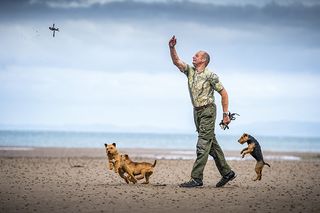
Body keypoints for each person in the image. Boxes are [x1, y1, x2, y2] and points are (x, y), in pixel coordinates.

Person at [169, 35, 236, 188]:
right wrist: (172, 48)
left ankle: (196, 178)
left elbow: (224, 93)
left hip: (208, 111)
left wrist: (226, 115)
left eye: (197, 55)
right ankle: (227, 173)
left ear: (203, 60)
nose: (193, 56)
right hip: (197, 112)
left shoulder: (210, 75)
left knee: (202, 145)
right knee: (211, 145)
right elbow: (176, 62)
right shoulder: (190, 71)